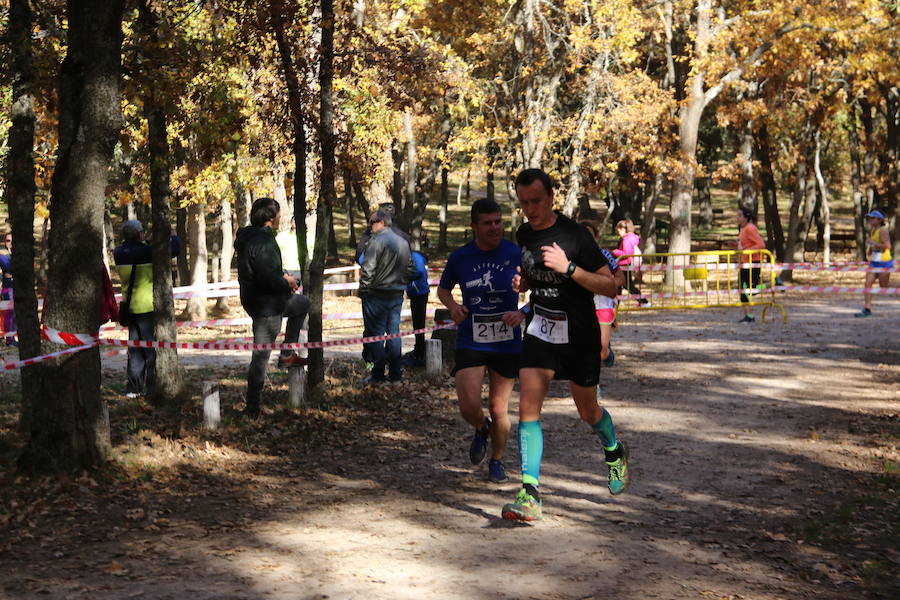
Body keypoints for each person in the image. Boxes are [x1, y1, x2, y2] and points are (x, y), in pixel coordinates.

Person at [501, 169, 630, 522]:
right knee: (527, 406)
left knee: (588, 411)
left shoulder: (574, 236)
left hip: (580, 336)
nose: (529, 209)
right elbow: (533, 273)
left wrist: (569, 267)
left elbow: (609, 286)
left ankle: (614, 450)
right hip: (541, 330)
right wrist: (522, 281)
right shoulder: (524, 233)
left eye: (536, 201)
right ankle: (530, 493)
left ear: (551, 198)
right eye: (524, 202)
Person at [438, 199, 525, 483]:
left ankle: (497, 462)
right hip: (471, 339)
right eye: (487, 223)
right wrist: (452, 307)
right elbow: (443, 289)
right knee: (468, 405)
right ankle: (480, 426)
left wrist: (522, 312)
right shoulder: (461, 257)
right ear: (474, 226)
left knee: (500, 408)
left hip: (506, 341)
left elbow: (541, 289)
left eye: (498, 221)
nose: (494, 228)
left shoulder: (515, 253)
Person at [235, 198, 311, 419]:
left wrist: (283, 276)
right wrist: (286, 282)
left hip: (264, 300)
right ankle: (252, 408)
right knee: (260, 356)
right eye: (278, 213)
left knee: (302, 304)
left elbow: (265, 272)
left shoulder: (252, 237)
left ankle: (287, 352)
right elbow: (266, 278)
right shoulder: (263, 241)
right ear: (271, 217)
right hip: (266, 305)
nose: (280, 217)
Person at [114, 220, 181, 397]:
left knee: (134, 348)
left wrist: (147, 242)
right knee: (150, 350)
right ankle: (151, 387)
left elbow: (137, 251)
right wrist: (172, 234)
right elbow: (174, 249)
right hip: (146, 306)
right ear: (139, 234)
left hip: (129, 307)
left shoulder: (119, 252)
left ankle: (133, 388)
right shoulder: (146, 252)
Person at [358, 209, 417, 384]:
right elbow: (412, 269)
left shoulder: (375, 242)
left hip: (376, 294)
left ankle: (378, 374)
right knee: (394, 333)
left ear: (381, 222)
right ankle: (395, 374)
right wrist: (400, 281)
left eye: (371, 222)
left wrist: (363, 290)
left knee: (375, 335)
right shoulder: (403, 242)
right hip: (397, 294)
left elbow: (368, 269)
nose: (369, 226)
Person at [581, 222, 625, 368]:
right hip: (582, 306)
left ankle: (607, 353)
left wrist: (604, 284)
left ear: (596, 237)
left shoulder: (604, 254)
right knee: (583, 350)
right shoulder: (573, 256)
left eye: (590, 235)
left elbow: (621, 279)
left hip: (602, 305)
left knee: (601, 351)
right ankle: (594, 387)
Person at [855, 209, 893, 318]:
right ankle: (867, 309)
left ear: (879, 220)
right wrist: (870, 250)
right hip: (874, 262)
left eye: (872, 218)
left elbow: (888, 246)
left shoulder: (883, 230)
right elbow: (874, 246)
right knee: (867, 284)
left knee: (884, 286)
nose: (870, 220)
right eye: (869, 218)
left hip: (884, 262)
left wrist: (873, 243)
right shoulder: (873, 230)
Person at [735, 206, 766, 323]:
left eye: (739, 215)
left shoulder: (750, 228)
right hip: (745, 263)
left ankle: (774, 281)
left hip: (753, 263)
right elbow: (744, 246)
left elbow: (761, 244)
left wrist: (747, 251)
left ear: (746, 217)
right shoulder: (743, 229)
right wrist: (735, 246)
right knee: (742, 290)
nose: (737, 218)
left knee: (752, 290)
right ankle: (749, 316)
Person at [402, 248, 430, 368]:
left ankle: (420, 354)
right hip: (416, 293)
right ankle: (419, 350)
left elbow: (418, 271)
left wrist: (404, 275)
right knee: (417, 325)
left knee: (419, 325)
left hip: (419, 293)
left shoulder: (414, 257)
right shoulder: (414, 256)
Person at [612, 219, 648, 306]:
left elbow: (626, 254)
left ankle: (644, 301)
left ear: (623, 229)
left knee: (627, 285)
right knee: (620, 285)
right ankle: (616, 304)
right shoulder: (632, 238)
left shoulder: (626, 239)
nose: (618, 233)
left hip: (624, 264)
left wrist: (615, 251)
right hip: (624, 264)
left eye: (619, 230)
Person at [0, 231, 15, 346]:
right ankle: (9, 339)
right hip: (8, 288)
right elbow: (7, 268)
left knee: (16, 312)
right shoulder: (2, 255)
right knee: (9, 313)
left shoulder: (19, 254)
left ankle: (13, 336)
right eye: (8, 240)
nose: (10, 243)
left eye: (12, 240)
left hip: (18, 287)